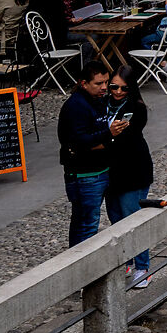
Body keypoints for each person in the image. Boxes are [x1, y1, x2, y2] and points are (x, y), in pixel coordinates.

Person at [104, 72, 161, 288]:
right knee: (116, 217)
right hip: (112, 170)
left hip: (133, 168)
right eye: (114, 87)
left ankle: (142, 267)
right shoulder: (104, 104)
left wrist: (108, 136)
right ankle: (126, 261)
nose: (117, 92)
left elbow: (127, 137)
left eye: (123, 88)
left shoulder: (136, 107)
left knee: (132, 217)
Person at [58, 62, 122, 249]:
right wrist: (109, 134)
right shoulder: (76, 106)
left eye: (106, 82)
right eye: (98, 83)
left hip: (99, 170)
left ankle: (78, 266)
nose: (104, 87)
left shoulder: (98, 100)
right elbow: (80, 141)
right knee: (86, 224)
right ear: (83, 83)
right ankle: (81, 268)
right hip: (84, 175)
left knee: (85, 222)